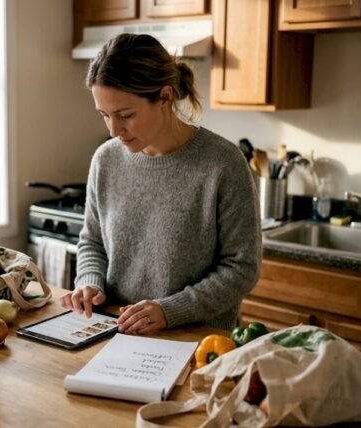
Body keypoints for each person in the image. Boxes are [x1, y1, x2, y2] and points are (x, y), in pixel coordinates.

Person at [60, 33, 261, 334]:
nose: (115, 130)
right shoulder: (106, 160)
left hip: (198, 340)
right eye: (105, 116)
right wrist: (89, 281)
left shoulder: (223, 163)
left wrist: (170, 311)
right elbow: (92, 242)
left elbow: (241, 268)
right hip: (115, 330)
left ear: (165, 97)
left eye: (125, 115)